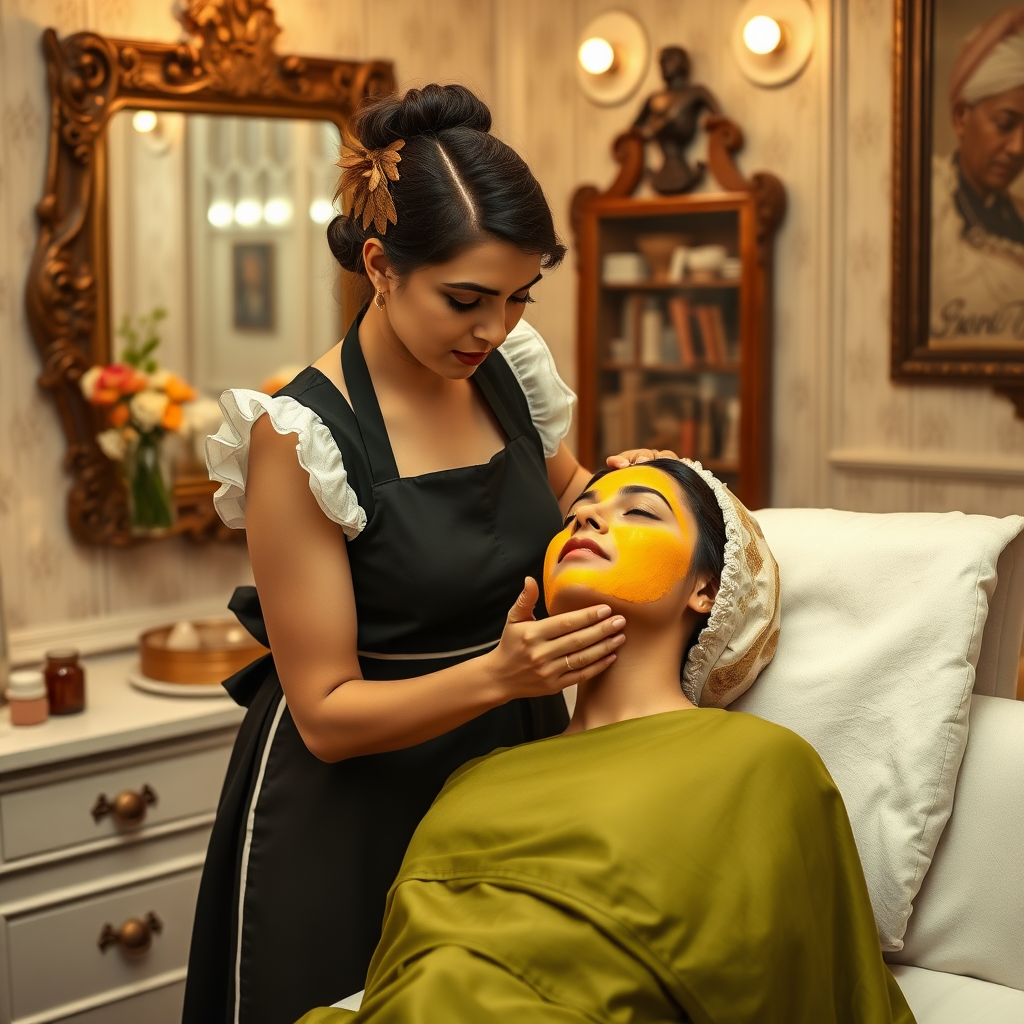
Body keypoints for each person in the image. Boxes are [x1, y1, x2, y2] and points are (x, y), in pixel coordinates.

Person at [184, 83, 675, 1024]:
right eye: (467, 299)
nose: (495, 328)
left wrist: (631, 493)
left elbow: (566, 498)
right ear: (380, 265)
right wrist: (501, 675)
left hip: (503, 766)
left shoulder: (508, 376)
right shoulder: (300, 437)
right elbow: (325, 713)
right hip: (351, 804)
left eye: (518, 297)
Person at [298, 461, 915, 1024]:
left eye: (640, 512)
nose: (586, 517)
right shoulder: (481, 773)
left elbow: (787, 980)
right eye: (574, 515)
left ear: (708, 588)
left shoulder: (762, 761)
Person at [931, 7, 1024, 346]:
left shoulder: (1019, 214)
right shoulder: (928, 203)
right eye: (1005, 124)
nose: (1018, 148)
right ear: (960, 118)